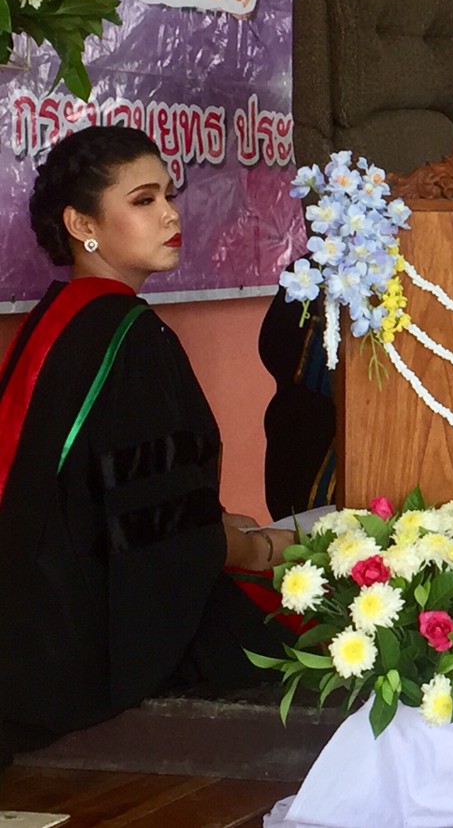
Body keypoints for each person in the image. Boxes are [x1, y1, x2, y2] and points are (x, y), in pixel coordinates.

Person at [0, 126, 296, 762]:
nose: (170, 214)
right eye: (143, 200)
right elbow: (162, 533)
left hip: (25, 621)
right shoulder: (132, 338)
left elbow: (109, 493)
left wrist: (218, 524)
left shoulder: (59, 319)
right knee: (297, 654)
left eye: (168, 194)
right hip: (80, 647)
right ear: (83, 224)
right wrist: (261, 548)